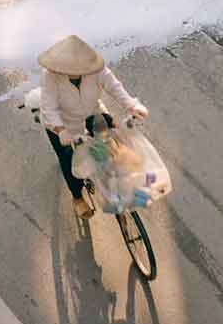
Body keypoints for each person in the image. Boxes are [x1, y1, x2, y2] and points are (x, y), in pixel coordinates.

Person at [38, 35, 148, 219]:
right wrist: (60, 130)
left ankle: (117, 182)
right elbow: (49, 107)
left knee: (111, 144)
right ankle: (77, 198)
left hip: (91, 113)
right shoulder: (50, 76)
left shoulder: (97, 69)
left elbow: (115, 87)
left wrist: (132, 105)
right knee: (68, 160)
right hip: (62, 124)